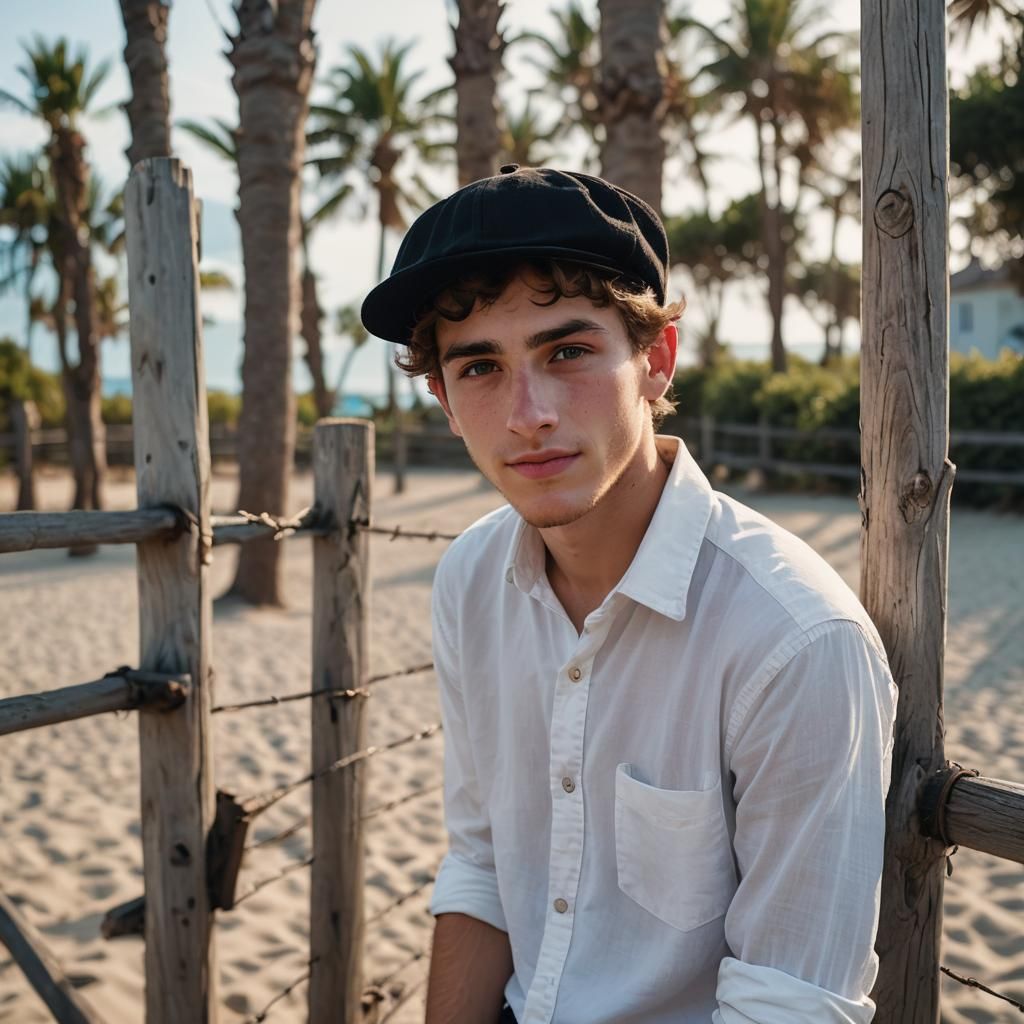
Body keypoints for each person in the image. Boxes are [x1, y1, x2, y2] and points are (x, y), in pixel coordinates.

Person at [361, 165, 898, 1024]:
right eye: (480, 368)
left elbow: (789, 1005)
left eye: (566, 352)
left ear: (655, 360)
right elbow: (482, 865)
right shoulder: (470, 579)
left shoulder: (795, 638)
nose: (526, 413)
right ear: (444, 402)